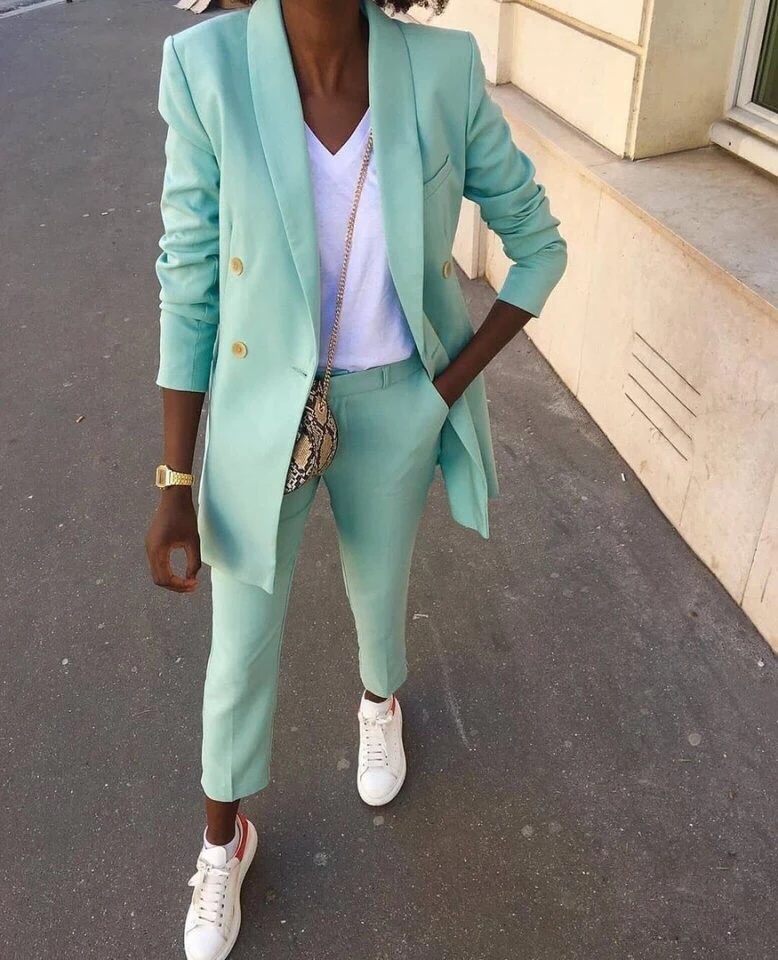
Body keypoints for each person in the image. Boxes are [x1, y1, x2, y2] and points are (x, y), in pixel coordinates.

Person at [145, 0, 567, 955]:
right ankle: (223, 841)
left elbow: (539, 243)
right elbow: (189, 275)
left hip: (395, 399)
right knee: (239, 642)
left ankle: (380, 704)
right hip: (263, 410)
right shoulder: (206, 69)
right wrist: (175, 475)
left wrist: (438, 396)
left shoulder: (443, 69)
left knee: (381, 588)